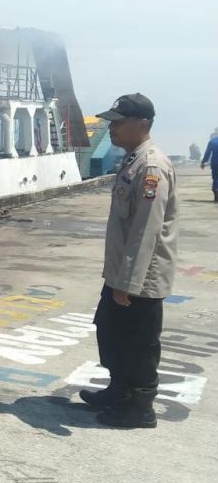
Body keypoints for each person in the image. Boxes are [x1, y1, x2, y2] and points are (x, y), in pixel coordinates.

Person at [79, 93, 178, 429]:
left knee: (139, 343)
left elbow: (145, 230)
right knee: (109, 331)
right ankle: (118, 390)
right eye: (111, 122)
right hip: (121, 273)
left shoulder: (151, 167)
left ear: (143, 124)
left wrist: (129, 284)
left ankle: (140, 407)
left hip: (140, 279)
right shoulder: (133, 160)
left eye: (119, 123)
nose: (112, 129)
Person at [201, 132, 218, 202]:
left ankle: (216, 191)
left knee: (216, 178)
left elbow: (207, 153)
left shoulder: (212, 142)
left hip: (215, 164)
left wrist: (203, 162)